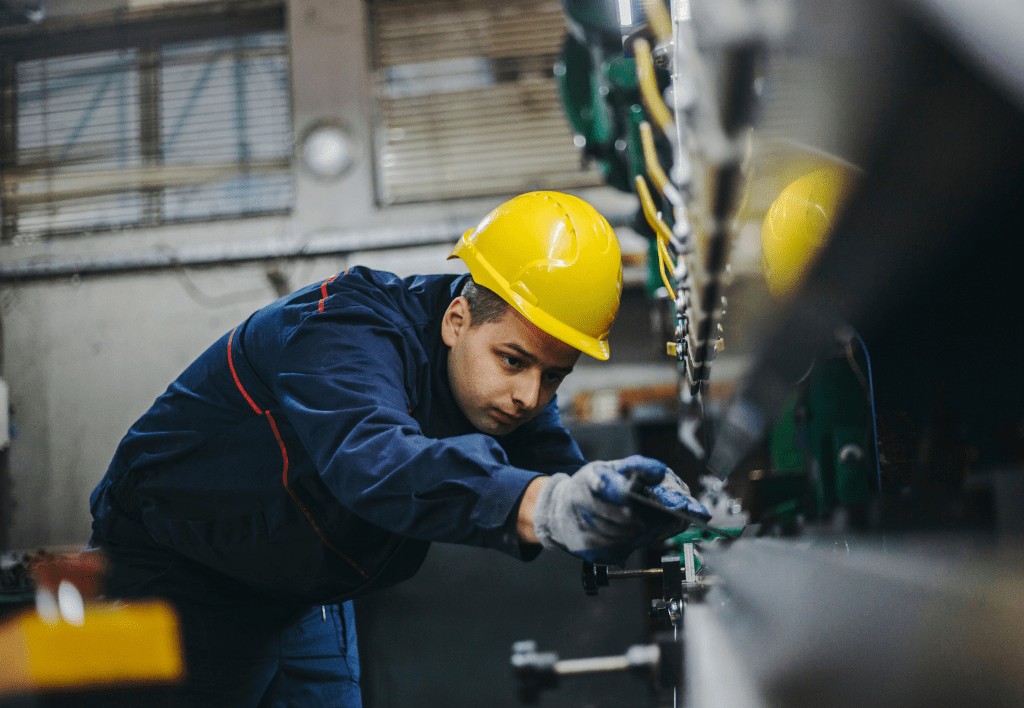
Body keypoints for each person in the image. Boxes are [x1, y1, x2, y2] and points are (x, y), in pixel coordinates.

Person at [87, 191, 709, 707]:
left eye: (553, 376)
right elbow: (376, 460)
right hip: (178, 577)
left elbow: (564, 476)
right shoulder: (345, 331)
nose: (527, 397)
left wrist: (634, 508)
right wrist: (545, 506)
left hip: (301, 593)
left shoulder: (497, 397)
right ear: (457, 320)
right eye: (514, 361)